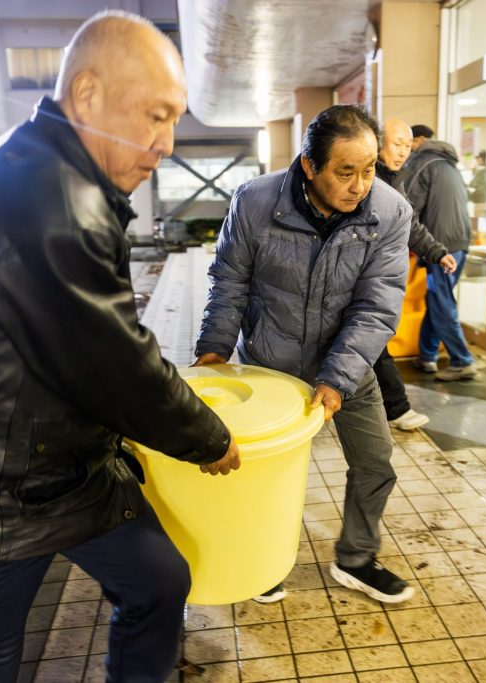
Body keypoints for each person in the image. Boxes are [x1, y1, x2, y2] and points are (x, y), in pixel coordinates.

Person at [0, 12, 241, 683]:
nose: (166, 143)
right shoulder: (54, 198)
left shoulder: (56, 170)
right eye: (155, 116)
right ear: (86, 94)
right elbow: (118, 365)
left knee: (158, 581)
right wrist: (209, 438)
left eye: (175, 120)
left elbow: (92, 351)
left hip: (62, 476)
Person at [194, 105, 416, 605]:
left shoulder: (391, 212)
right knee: (258, 469)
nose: (360, 184)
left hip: (347, 366)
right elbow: (230, 281)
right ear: (310, 166)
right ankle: (262, 558)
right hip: (267, 365)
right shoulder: (254, 201)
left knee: (376, 462)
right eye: (345, 171)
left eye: (370, 169)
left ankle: (356, 558)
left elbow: (376, 305)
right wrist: (213, 350)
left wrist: (337, 377)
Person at [374, 118, 456, 431]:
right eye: (397, 144)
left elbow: (409, 223)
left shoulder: (396, 179)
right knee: (370, 341)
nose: (403, 152)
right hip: (356, 278)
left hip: (374, 277)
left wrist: (437, 252)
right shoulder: (366, 178)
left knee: (368, 343)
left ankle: (392, 407)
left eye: (408, 146)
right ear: (379, 142)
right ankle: (397, 408)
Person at [402, 136, 477, 381]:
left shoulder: (422, 162)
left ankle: (462, 360)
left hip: (441, 246)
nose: (405, 149)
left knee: (441, 302)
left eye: (407, 143)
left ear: (419, 140)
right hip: (461, 242)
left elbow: (408, 207)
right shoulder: (449, 165)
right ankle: (427, 355)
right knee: (437, 299)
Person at [466, 150, 486, 215]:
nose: (476, 161)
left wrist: (473, 170)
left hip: (480, 201)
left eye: (477, 159)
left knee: (478, 221)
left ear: (481, 159)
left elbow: (473, 184)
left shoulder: (481, 170)